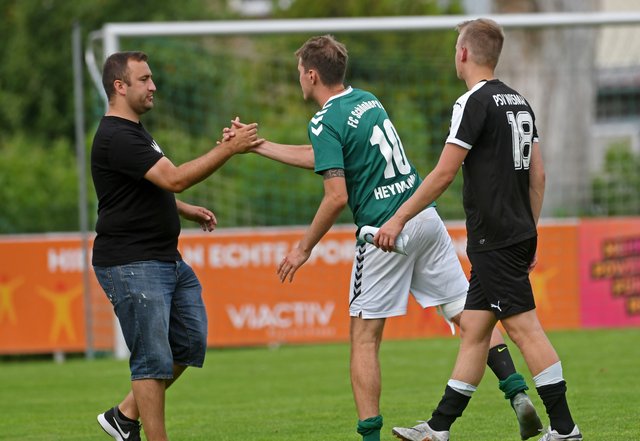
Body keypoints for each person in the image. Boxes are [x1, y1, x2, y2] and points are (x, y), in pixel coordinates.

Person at [233, 35, 541, 441]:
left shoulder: (324, 121)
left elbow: (336, 196)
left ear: (311, 75)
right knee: (469, 315)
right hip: (422, 215)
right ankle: (517, 393)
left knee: (364, 338)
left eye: (299, 73)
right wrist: (259, 146)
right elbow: (325, 155)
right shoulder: (367, 100)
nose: (299, 79)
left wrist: (303, 248)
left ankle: (370, 437)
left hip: (385, 231)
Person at [376, 19, 581, 441]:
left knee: (525, 330)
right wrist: (530, 231)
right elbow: (538, 176)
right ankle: (438, 428)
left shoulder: (472, 102)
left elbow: (443, 173)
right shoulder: (519, 101)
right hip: (513, 233)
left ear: (465, 53)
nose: (456, 53)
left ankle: (565, 429)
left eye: (457, 46)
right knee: (474, 330)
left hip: (495, 237)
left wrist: (398, 217)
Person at [91, 51, 261, 441]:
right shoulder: (117, 135)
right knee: (152, 359)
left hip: (165, 259)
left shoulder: (134, 131)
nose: (153, 86)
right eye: (144, 79)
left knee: (188, 342)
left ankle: (123, 416)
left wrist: (182, 209)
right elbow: (175, 178)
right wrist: (229, 149)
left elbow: (144, 189)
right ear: (120, 86)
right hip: (132, 262)